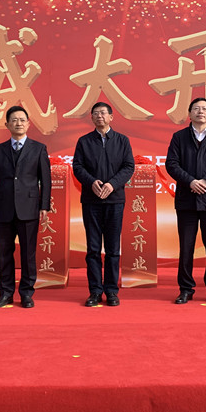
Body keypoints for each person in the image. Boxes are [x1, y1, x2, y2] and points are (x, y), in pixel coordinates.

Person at [166, 98, 206, 305]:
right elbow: (172, 164)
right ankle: (186, 289)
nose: (200, 112)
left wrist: (205, 181)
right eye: (196, 108)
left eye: (204, 109)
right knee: (186, 248)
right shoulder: (179, 137)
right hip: (187, 200)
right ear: (189, 113)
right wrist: (191, 182)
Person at [0, 105, 51, 308]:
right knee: (4, 253)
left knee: (28, 254)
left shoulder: (38, 148)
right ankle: (5, 293)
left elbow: (45, 180)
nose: (18, 123)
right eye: (14, 120)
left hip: (29, 208)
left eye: (22, 120)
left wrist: (44, 206)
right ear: (7, 124)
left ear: (28, 124)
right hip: (3, 209)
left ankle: (27, 293)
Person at [72, 102, 135, 307]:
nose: (99, 116)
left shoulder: (122, 140)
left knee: (113, 249)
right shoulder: (84, 141)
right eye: (96, 114)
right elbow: (77, 167)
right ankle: (95, 291)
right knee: (93, 249)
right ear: (91, 118)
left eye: (103, 113)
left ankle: (111, 291)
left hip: (115, 200)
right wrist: (92, 182)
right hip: (91, 201)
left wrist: (112, 184)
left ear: (111, 117)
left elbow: (129, 166)